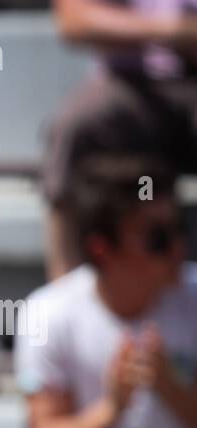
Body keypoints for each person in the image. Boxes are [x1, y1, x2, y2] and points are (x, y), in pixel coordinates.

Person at [16, 156, 197, 428]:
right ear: (102, 248)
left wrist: (172, 389)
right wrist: (112, 408)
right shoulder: (48, 313)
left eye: (180, 229)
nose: (178, 248)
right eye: (158, 238)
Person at [43, 0, 197, 278]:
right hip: (130, 87)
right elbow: (75, 19)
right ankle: (67, 307)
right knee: (75, 127)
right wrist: (174, 31)